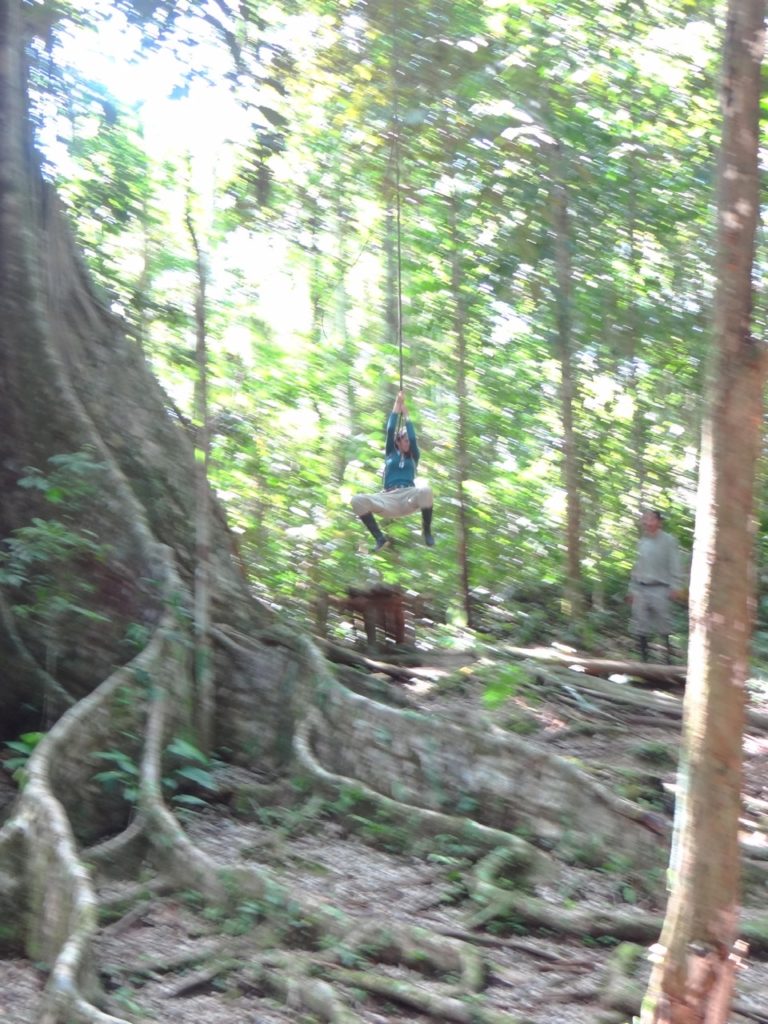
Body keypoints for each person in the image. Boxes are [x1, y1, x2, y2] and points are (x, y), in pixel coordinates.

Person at [351, 390, 434, 551]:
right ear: (398, 441)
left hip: (408, 497)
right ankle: (380, 538)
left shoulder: (413, 457)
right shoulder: (390, 453)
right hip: (388, 498)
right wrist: (397, 404)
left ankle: (427, 531)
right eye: (404, 440)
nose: (408, 442)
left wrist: (406, 413)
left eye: (408, 440)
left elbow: (413, 437)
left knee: (425, 491)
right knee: (357, 500)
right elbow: (390, 430)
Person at [628, 508, 685, 663]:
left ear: (659, 522)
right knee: (640, 623)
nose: (647, 522)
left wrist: (675, 585)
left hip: (660, 587)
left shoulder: (669, 541)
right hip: (641, 587)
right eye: (645, 519)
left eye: (651, 519)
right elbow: (636, 567)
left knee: (664, 624)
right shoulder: (642, 542)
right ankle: (643, 661)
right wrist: (632, 588)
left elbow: (675, 564)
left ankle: (667, 660)